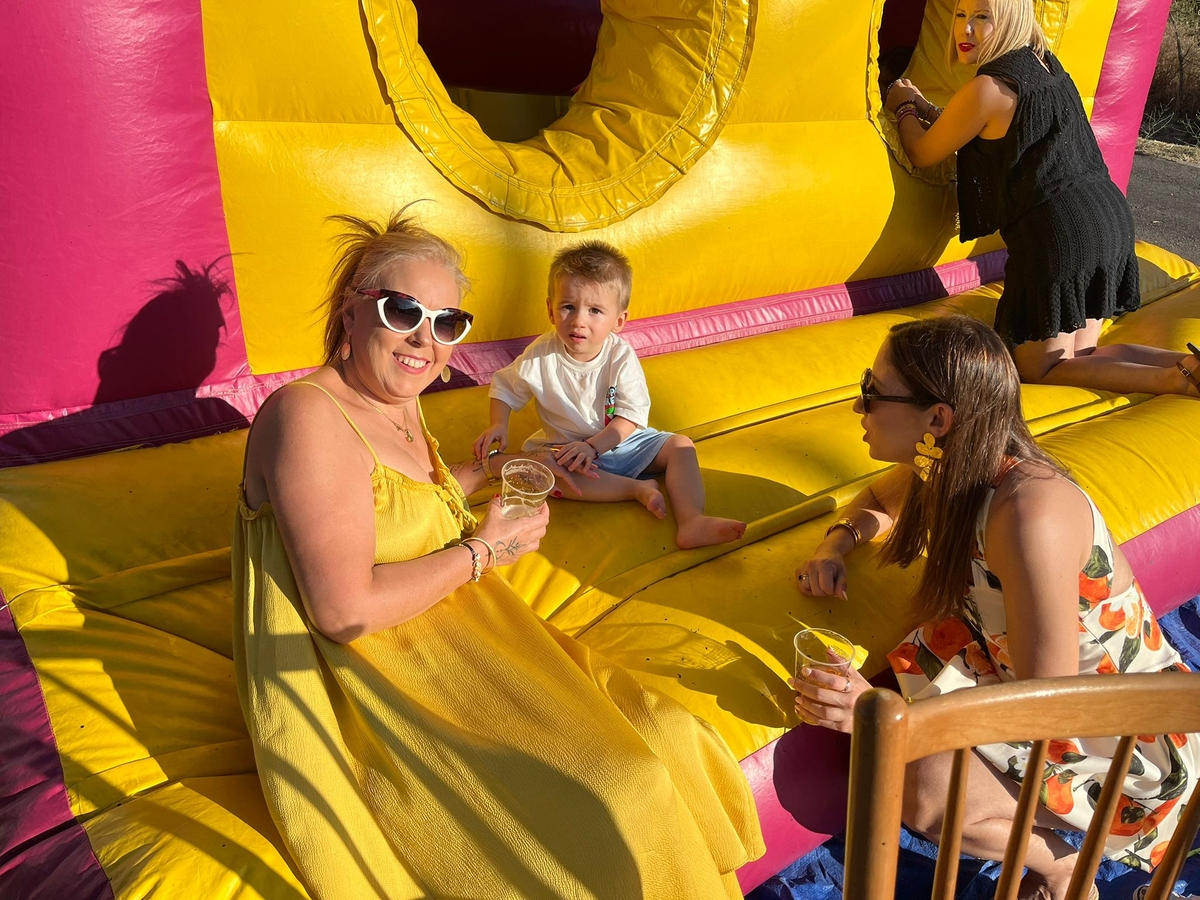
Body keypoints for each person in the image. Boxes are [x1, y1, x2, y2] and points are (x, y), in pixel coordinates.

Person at [234, 212, 764, 899]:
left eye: (447, 323)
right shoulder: (306, 416)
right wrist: (487, 549)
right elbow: (342, 611)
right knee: (622, 791)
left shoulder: (394, 398)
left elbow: (393, 503)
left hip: (465, 628)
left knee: (669, 732)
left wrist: (487, 473)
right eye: (404, 312)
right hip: (380, 675)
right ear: (350, 311)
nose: (426, 340)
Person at [793, 316, 1197, 899]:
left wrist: (885, 718)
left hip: (1117, 742)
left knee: (922, 789)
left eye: (872, 391)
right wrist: (836, 545)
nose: (860, 406)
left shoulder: (1030, 515)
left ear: (938, 419)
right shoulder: (955, 465)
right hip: (1033, 691)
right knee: (911, 761)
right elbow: (882, 496)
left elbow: (1050, 703)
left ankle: (1063, 867)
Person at [883, 0, 1200, 396]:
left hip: (1060, 233)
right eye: (960, 15)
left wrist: (903, 106)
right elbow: (977, 126)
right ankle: (1188, 366)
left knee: (1040, 368)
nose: (965, 29)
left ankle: (1176, 381)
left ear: (1012, 18)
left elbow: (922, 152)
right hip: (1108, 217)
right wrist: (926, 108)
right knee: (1082, 355)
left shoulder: (988, 87)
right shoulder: (1043, 62)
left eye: (982, 17)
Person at [472, 241, 747, 549]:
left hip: (621, 443)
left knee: (681, 446)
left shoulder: (620, 356)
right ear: (550, 310)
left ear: (618, 321)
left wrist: (594, 446)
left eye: (595, 311)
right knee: (547, 474)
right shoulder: (540, 356)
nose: (579, 320)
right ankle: (635, 489)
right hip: (568, 451)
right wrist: (499, 424)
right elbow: (505, 387)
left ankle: (692, 520)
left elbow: (630, 416)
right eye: (568, 306)